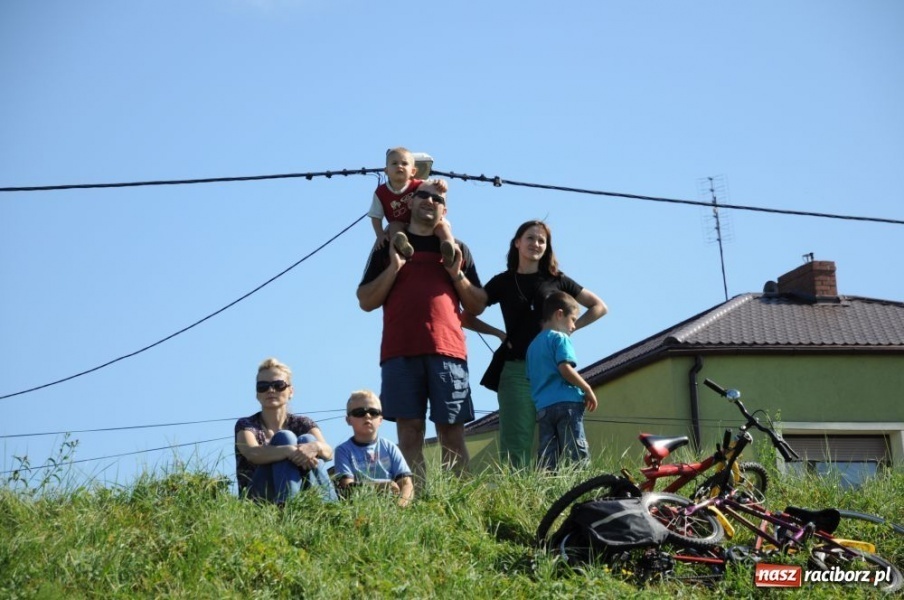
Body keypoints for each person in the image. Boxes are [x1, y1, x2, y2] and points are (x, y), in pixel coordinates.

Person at [357, 180, 487, 481]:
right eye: (423, 195)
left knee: (452, 432)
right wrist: (394, 267)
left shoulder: (457, 249)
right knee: (409, 432)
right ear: (411, 203)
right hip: (399, 351)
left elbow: (477, 304)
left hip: (449, 351)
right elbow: (365, 300)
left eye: (437, 198)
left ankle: (457, 503)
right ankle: (417, 501)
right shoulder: (388, 246)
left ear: (444, 209)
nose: (430, 201)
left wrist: (457, 275)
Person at [462, 220, 607, 469]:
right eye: (530, 238)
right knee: (516, 440)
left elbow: (599, 306)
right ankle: (519, 496)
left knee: (563, 439)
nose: (536, 244)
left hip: (553, 372)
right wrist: (497, 333)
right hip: (516, 369)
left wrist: (570, 329)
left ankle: (561, 491)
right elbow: (466, 314)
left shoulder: (557, 280)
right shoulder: (503, 281)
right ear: (517, 243)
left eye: (542, 240)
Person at [234, 357, 337, 503]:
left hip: (304, 488)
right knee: (285, 437)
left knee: (308, 441)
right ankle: (289, 506)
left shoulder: (303, 423)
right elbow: (252, 453)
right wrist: (289, 450)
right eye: (263, 386)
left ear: (291, 391)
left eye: (278, 385)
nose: (270, 390)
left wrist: (314, 447)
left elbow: (328, 453)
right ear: (257, 394)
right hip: (258, 498)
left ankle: (327, 507)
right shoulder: (247, 424)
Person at [526, 291, 599, 471]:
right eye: (573, 319)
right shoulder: (560, 338)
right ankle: (584, 488)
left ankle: (546, 490)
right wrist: (587, 388)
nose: (574, 326)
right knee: (576, 452)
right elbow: (565, 369)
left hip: (543, 408)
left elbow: (531, 378)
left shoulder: (532, 347)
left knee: (548, 456)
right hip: (567, 405)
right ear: (559, 314)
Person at [368, 147, 459, 267]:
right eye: (394, 163)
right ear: (386, 171)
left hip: (420, 221)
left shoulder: (419, 185)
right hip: (400, 223)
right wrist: (380, 235)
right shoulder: (381, 192)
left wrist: (443, 183)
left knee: (441, 226)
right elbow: (376, 216)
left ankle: (447, 246)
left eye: (404, 163)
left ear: (413, 171)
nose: (399, 166)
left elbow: (434, 186)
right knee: (394, 225)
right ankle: (402, 243)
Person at [333, 390, 414, 507]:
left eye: (373, 412)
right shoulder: (343, 450)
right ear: (348, 420)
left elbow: (406, 483)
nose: (367, 416)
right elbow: (346, 488)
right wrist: (382, 487)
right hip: (360, 509)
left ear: (380, 419)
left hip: (393, 506)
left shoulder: (390, 447)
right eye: (359, 412)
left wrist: (400, 506)